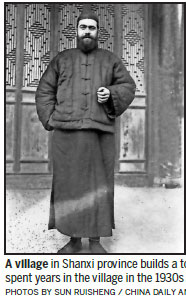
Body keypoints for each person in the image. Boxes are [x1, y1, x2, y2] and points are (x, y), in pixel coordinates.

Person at [35, 12, 136, 253]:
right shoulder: (62, 59)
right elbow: (44, 91)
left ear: (98, 32)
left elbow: (128, 86)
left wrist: (111, 93)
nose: (87, 31)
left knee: (98, 186)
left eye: (92, 27)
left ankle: (95, 241)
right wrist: (50, 119)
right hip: (66, 135)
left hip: (99, 134)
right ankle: (73, 240)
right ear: (77, 31)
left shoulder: (111, 60)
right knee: (69, 186)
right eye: (83, 27)